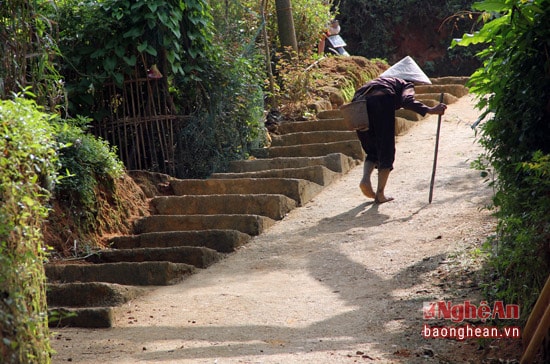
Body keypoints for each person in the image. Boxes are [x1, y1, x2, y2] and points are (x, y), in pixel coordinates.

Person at [352, 76, 447, 203]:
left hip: (358, 104)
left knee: (372, 150)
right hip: (381, 102)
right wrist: (430, 110)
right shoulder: (405, 84)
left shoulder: (378, 81)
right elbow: (407, 100)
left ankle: (365, 179)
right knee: (386, 149)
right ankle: (380, 194)